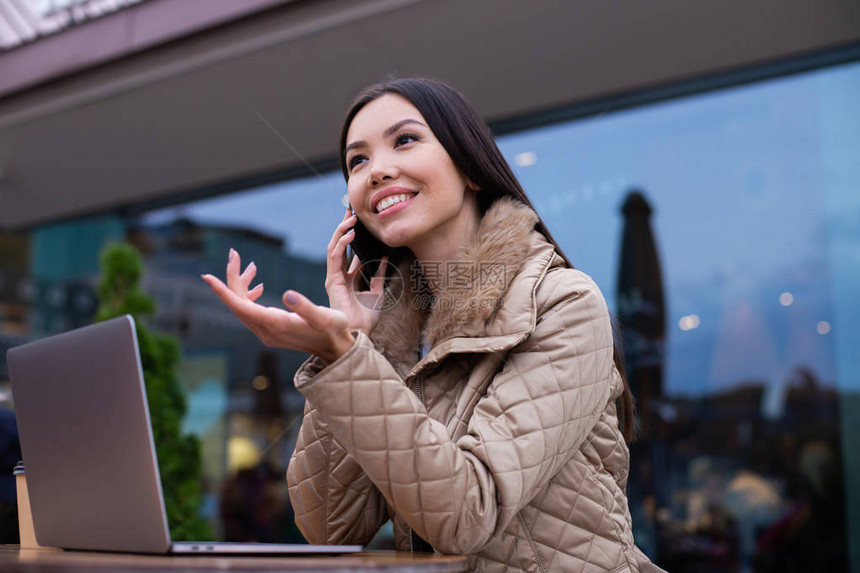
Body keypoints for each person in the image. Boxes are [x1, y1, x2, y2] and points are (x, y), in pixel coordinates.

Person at [202, 77, 664, 571]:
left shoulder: (564, 304)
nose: (376, 170)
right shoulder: (386, 336)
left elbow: (466, 516)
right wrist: (355, 342)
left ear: (470, 168)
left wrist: (346, 357)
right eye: (357, 161)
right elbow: (330, 526)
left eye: (405, 140)